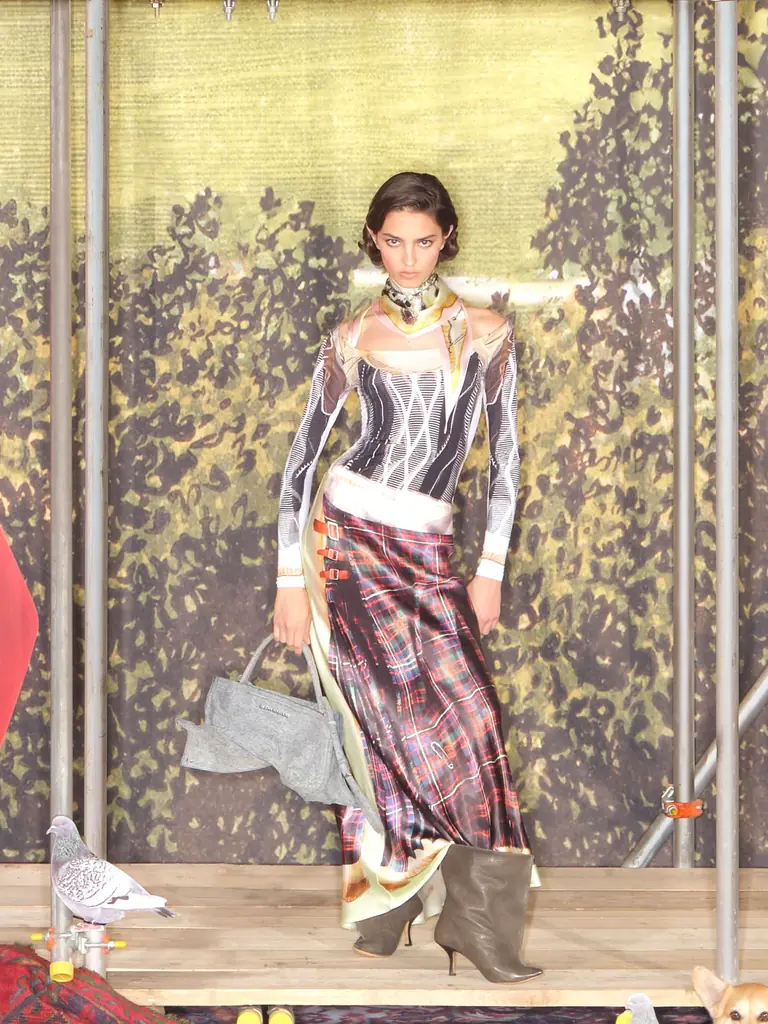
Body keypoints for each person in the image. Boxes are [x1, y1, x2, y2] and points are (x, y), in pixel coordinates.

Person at [272, 171, 541, 984]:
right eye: (394, 241)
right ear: (375, 241)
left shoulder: (487, 334)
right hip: (346, 542)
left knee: (472, 723)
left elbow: (505, 462)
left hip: (427, 551)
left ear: (447, 239)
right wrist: (289, 579)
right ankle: (388, 908)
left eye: (424, 241)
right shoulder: (352, 336)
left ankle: (472, 922)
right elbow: (301, 460)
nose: (410, 257)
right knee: (376, 726)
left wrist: (489, 570)